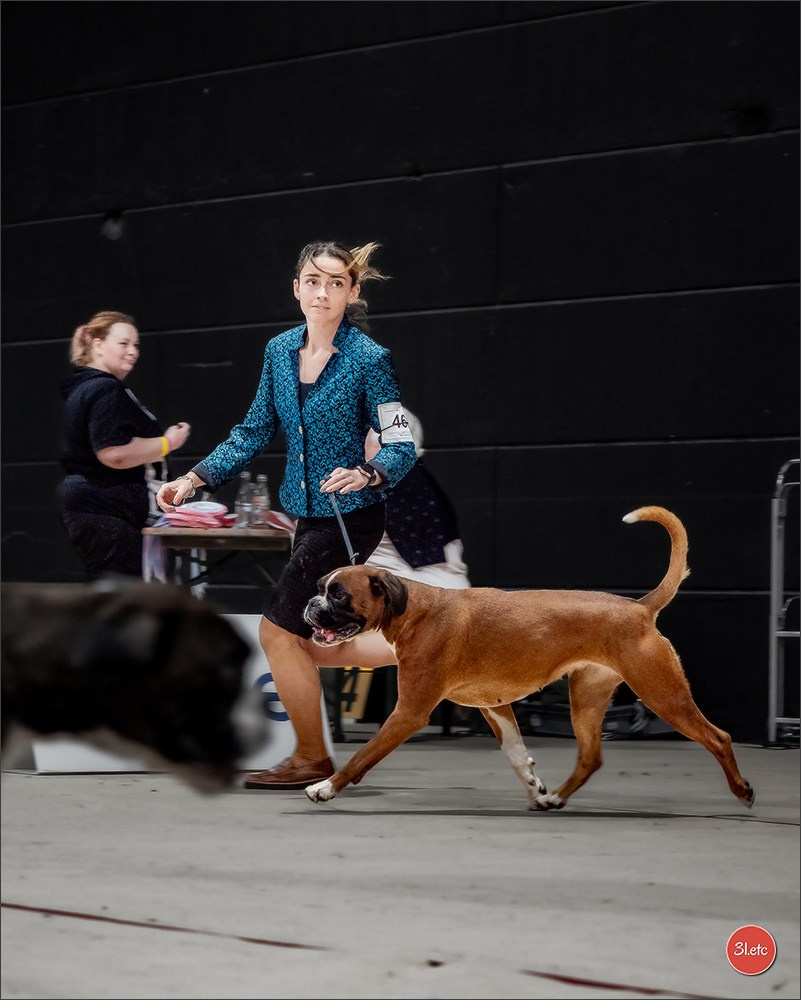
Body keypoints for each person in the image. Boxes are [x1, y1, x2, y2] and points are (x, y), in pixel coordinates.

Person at [156, 241, 417, 790]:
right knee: (313, 641)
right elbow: (252, 430)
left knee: (277, 633)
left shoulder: (370, 360)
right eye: (313, 281)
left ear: (353, 293)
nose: (323, 292)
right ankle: (423, 642)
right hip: (305, 515)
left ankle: (311, 759)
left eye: (337, 283)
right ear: (296, 288)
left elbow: (400, 443)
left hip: (351, 517)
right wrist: (193, 477)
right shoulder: (278, 351)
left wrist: (369, 473)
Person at [57, 310, 191, 579]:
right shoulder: (105, 390)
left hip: (95, 507)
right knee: (120, 598)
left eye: (136, 345)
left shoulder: (84, 388)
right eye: (123, 343)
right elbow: (113, 452)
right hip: (106, 510)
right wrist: (167, 443)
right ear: (97, 345)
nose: (132, 352)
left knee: (110, 596)